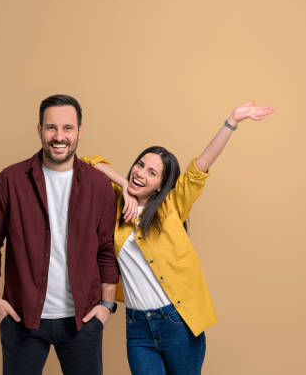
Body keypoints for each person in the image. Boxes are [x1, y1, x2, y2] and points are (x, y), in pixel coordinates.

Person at [82, 102, 275, 375]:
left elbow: (200, 167)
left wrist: (232, 121)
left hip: (177, 323)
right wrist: (123, 186)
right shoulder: (114, 203)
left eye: (152, 172)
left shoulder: (172, 206)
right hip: (137, 326)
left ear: (161, 184)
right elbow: (88, 161)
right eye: (140, 165)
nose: (141, 173)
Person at [0, 94, 119, 375]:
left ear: (79, 131)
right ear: (39, 130)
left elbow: (106, 249)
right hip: (22, 319)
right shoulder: (11, 180)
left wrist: (106, 306)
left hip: (83, 320)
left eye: (67, 128)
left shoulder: (98, 185)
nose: (59, 136)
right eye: (51, 127)